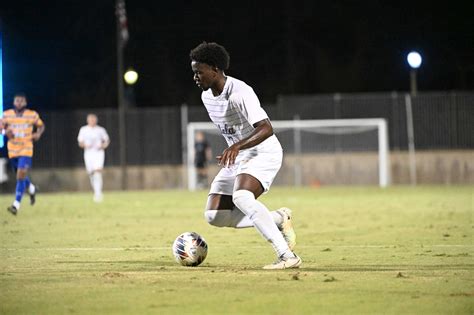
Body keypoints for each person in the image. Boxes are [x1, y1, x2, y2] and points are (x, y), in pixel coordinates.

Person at [190, 42, 301, 269]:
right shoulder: (207, 97)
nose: (196, 77)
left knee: (242, 197)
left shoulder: (241, 92)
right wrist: (235, 149)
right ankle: (278, 218)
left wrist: (236, 147)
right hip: (239, 156)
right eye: (194, 73)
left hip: (263, 152)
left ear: (215, 69)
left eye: (199, 72)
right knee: (215, 216)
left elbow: (266, 128)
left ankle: (287, 256)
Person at [1, 92, 44, 215]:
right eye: (17, 101)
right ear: (14, 102)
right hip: (13, 150)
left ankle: (16, 205)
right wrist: (5, 132)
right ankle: (31, 188)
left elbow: (41, 126)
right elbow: (1, 128)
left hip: (26, 148)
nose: (19, 103)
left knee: (20, 174)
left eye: (21, 101)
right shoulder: (7, 115)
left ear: (25, 102)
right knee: (21, 176)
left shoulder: (32, 115)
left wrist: (38, 134)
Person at [77, 114, 110, 202]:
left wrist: (102, 146)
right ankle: (96, 191)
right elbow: (80, 142)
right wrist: (85, 145)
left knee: (97, 172)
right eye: (90, 120)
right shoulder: (83, 130)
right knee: (91, 173)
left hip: (98, 153)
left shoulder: (100, 130)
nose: (92, 121)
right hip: (88, 153)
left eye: (93, 119)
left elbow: (106, 141)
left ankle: (98, 194)